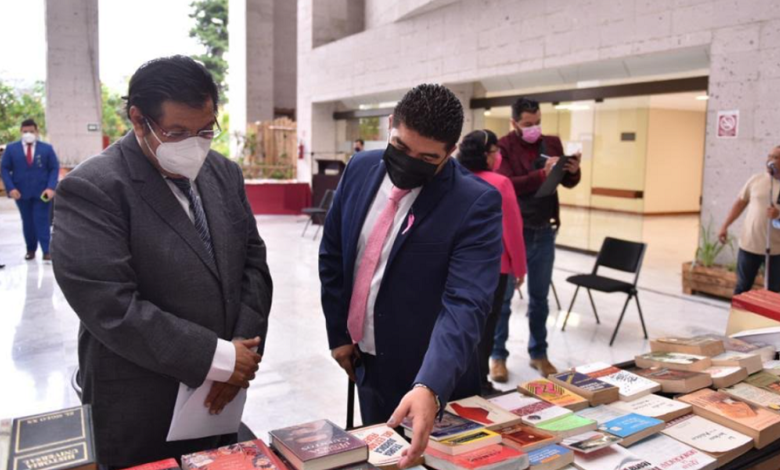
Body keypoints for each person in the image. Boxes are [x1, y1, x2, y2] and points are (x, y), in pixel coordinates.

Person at [51, 56, 273, 467]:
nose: (195, 143)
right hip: (139, 405)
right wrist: (217, 358)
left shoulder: (223, 173)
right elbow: (111, 306)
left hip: (221, 398)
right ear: (139, 120)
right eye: (177, 132)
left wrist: (241, 355)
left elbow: (253, 266)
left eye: (206, 130)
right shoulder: (94, 188)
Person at [320, 84, 502, 468]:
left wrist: (430, 385)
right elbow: (334, 253)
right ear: (390, 125)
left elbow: (466, 303)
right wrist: (339, 334)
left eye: (427, 157)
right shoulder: (360, 168)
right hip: (367, 364)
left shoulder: (474, 202)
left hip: (435, 374)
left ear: (450, 152)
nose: (409, 162)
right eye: (401, 148)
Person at [496, 97, 581, 378]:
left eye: (537, 122)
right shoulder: (504, 147)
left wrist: (572, 171)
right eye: (527, 124)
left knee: (540, 298)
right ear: (514, 123)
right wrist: (539, 174)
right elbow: (507, 185)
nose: (534, 128)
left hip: (544, 229)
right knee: (504, 299)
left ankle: (539, 353)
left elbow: (566, 183)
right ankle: (498, 355)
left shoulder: (553, 143)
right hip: (513, 232)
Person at [456, 129, 526, 396]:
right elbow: (512, 230)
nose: (499, 156)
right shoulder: (500, 183)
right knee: (486, 328)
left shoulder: (455, 178)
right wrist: (520, 268)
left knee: (461, 325)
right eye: (496, 151)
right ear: (486, 154)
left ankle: (460, 381)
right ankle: (480, 383)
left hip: (459, 265)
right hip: (494, 269)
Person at [719, 146, 780, 294]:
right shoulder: (756, 179)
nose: (769, 160)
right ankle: (737, 316)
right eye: (769, 156)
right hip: (749, 245)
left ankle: (769, 318)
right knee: (742, 286)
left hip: (776, 250)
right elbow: (740, 203)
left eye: (775, 157)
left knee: (774, 291)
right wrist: (725, 226)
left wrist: (778, 214)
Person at [1, 118, 59, 261]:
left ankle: (47, 251)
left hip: (43, 193)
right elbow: (4, 168)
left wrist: (51, 187)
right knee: (27, 222)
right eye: (25, 131)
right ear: (21, 131)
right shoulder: (12, 149)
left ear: (36, 132)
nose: (28, 134)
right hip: (20, 193)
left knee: (42, 220)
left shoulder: (46, 149)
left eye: (31, 131)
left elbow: (54, 168)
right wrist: (10, 188)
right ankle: (30, 250)